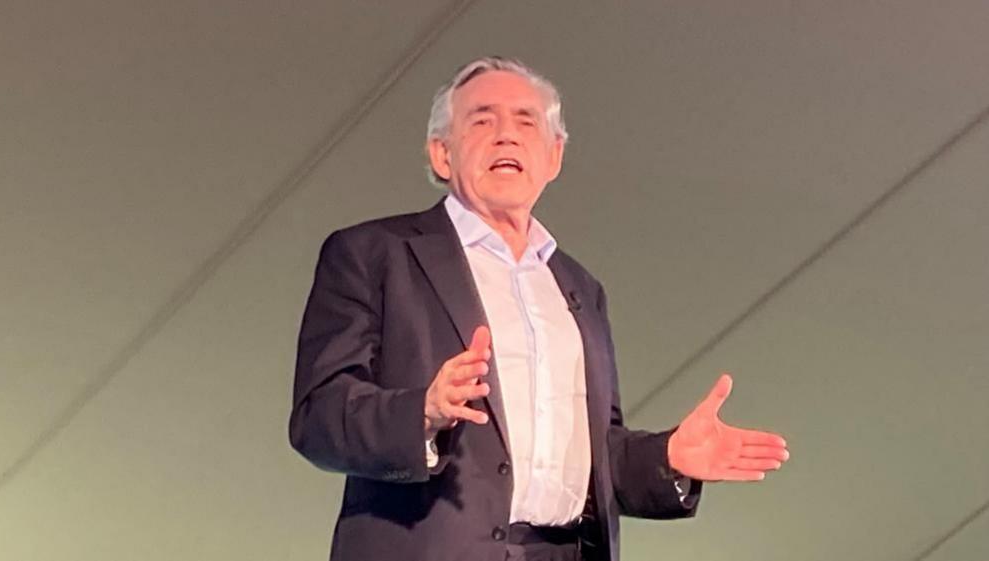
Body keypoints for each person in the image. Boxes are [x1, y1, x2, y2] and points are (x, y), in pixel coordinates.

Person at [289, 56, 789, 561]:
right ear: (442, 155)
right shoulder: (375, 254)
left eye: (526, 122)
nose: (507, 137)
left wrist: (669, 458)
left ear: (554, 157)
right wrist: (422, 412)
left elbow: (595, 454)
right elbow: (320, 416)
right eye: (482, 121)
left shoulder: (578, 288)